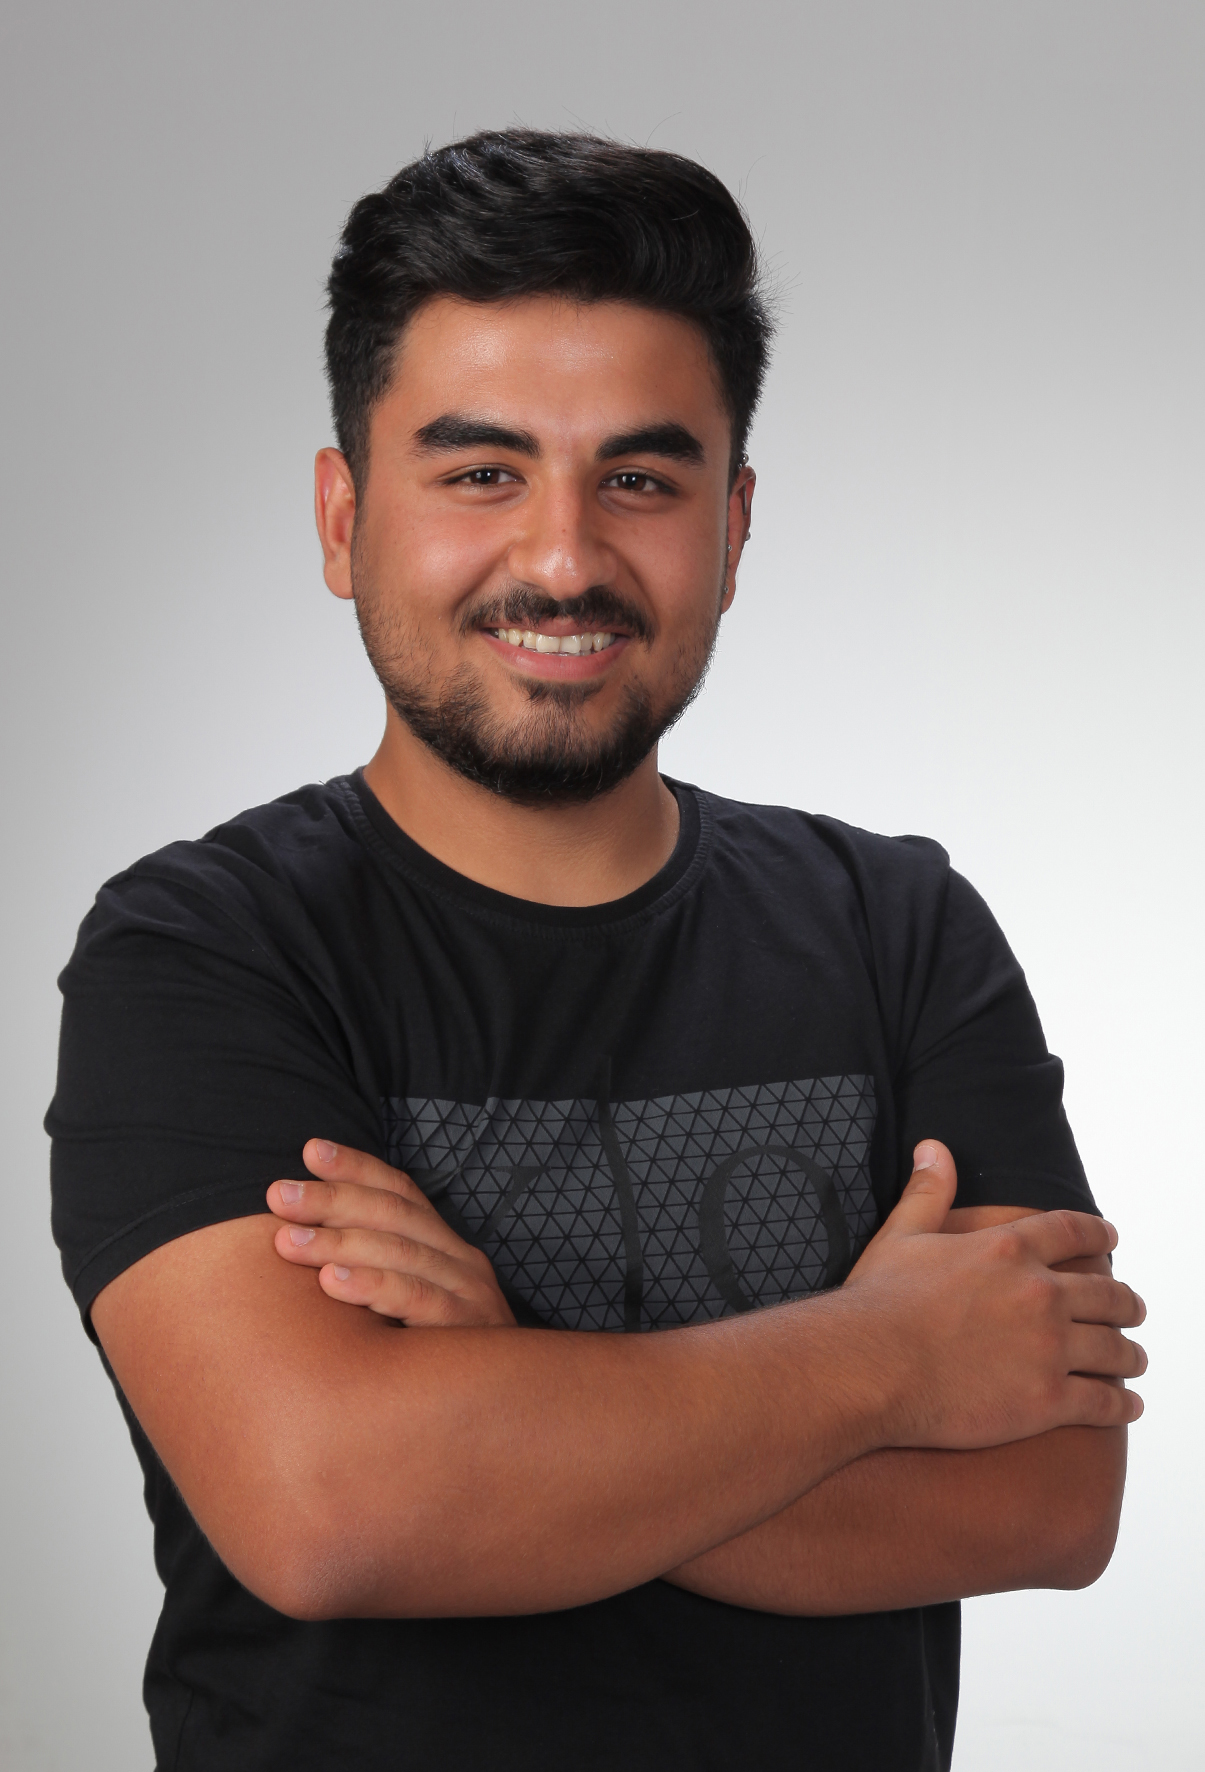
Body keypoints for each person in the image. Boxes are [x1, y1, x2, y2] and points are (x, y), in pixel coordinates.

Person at [46, 130, 1146, 1772]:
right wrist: (887, 1359)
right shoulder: (204, 951)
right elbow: (335, 1508)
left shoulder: (898, 926)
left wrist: (507, 1389)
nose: (562, 560)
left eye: (639, 479)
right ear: (344, 519)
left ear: (733, 524)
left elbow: (1047, 1500)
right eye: (479, 473)